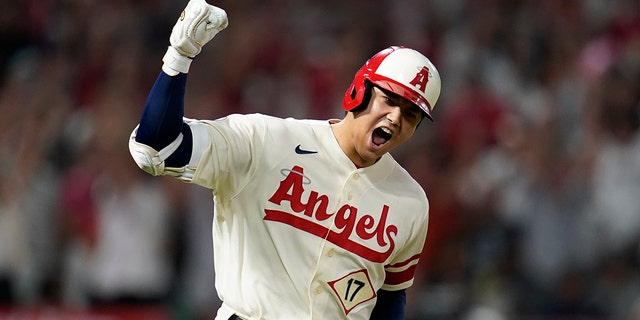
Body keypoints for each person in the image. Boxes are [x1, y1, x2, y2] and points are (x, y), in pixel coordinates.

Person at [128, 0, 441, 319]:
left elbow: (390, 297)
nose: (396, 117)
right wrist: (179, 55)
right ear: (359, 91)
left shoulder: (410, 201)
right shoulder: (266, 141)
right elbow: (158, 147)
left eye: (411, 113)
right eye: (389, 100)